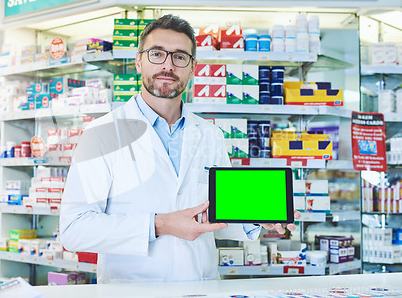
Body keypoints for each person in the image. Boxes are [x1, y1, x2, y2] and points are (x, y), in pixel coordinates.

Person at [60, 14, 298, 283]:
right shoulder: (101, 134)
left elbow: (218, 214)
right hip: (133, 288)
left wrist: (255, 219)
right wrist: (160, 224)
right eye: (157, 54)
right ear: (139, 61)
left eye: (180, 57)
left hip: (199, 284)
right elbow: (73, 228)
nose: (168, 65)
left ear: (192, 67)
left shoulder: (210, 134)